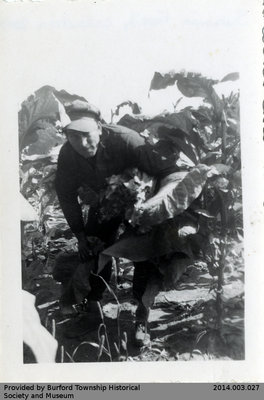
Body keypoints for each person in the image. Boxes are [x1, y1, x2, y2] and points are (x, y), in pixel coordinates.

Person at [54, 102, 178, 345]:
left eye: (86, 135)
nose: (82, 143)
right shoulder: (68, 154)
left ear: (99, 127)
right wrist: (79, 234)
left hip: (142, 200)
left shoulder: (126, 140)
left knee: (144, 253)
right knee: (92, 248)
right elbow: (66, 195)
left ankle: (141, 317)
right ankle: (92, 311)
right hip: (108, 201)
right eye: (73, 136)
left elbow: (167, 171)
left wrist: (156, 205)